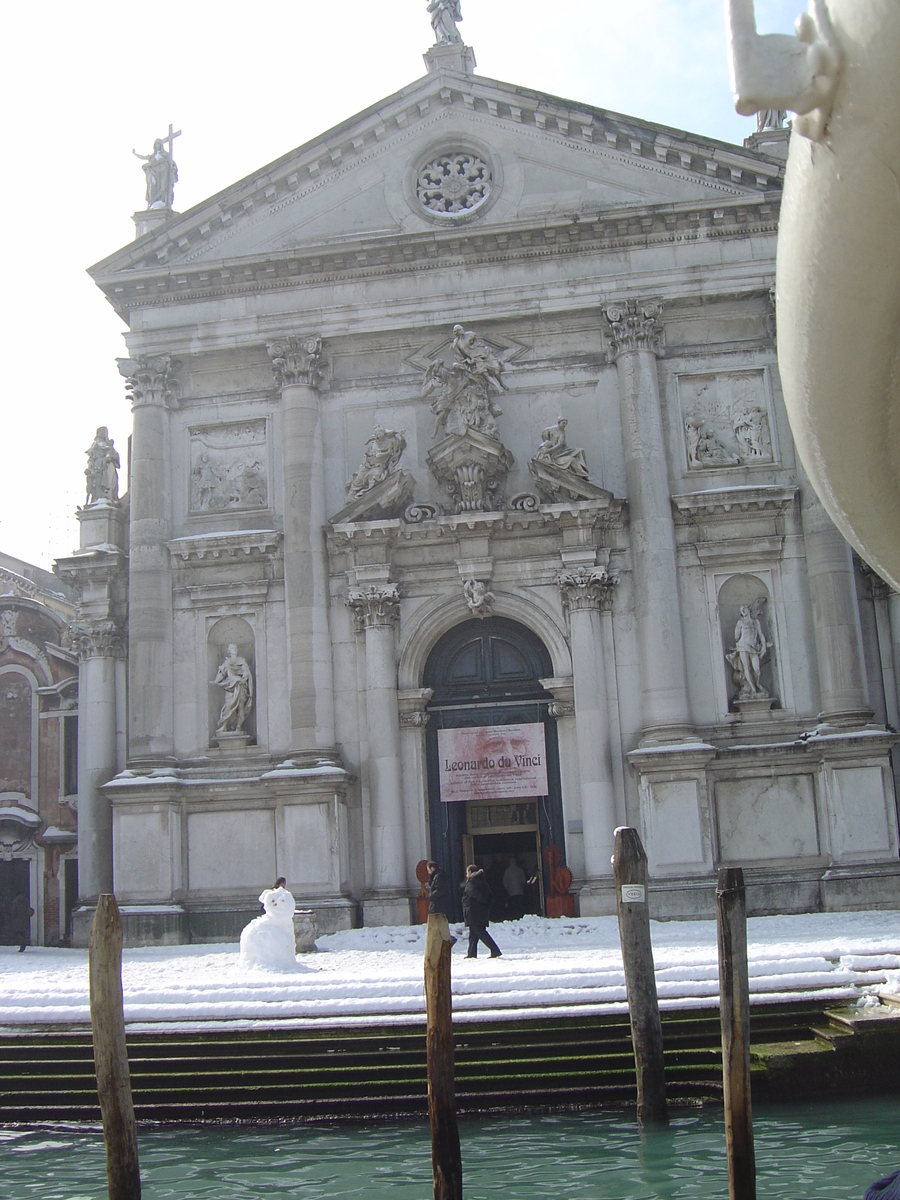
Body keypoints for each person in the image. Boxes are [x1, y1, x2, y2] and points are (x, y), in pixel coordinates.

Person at [211, 644, 254, 733]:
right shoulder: (227, 663)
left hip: (240, 686)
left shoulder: (241, 661)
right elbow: (222, 673)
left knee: (241, 707)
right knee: (228, 706)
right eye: (232, 648)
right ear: (229, 651)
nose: (234, 650)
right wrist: (216, 681)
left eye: (235, 648)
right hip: (230, 686)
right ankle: (224, 726)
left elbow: (246, 671)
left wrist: (244, 678)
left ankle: (238, 727)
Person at [462, 865, 502, 959]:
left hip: (474, 912)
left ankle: (495, 950)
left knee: (479, 932)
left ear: (470, 872)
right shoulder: (482, 881)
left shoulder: (472, 882)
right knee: (473, 933)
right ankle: (471, 953)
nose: (466, 874)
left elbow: (471, 893)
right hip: (481, 911)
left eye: (467, 871)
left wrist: (480, 901)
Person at [425, 861, 458, 946]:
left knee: (438, 925)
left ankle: (448, 939)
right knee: (437, 925)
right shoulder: (436, 876)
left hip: (438, 905)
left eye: (428, 870)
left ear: (433, 868)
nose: (428, 872)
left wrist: (431, 896)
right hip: (437, 905)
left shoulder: (439, 876)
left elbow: (440, 890)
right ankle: (445, 940)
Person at [503, 856, 527, 921]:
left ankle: (514, 918)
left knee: (513, 907)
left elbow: (505, 882)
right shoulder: (520, 870)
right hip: (520, 892)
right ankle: (520, 917)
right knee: (520, 906)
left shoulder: (507, 871)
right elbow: (523, 880)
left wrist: (507, 889)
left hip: (511, 893)